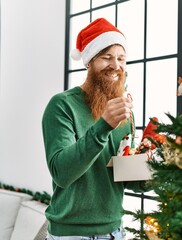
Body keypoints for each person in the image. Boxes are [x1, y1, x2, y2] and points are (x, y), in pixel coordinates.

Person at [42, 18, 147, 240]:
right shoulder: (62, 105)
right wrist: (103, 126)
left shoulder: (125, 111)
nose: (116, 65)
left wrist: (158, 167)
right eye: (106, 57)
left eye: (121, 58)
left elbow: (127, 176)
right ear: (89, 61)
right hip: (71, 235)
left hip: (115, 232)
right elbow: (62, 173)